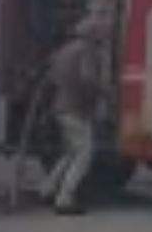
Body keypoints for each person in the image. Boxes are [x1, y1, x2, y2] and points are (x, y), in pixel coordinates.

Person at [43, 16, 109, 216]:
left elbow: (52, 76)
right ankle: (65, 198)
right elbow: (88, 78)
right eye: (103, 32)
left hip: (60, 107)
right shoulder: (87, 51)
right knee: (84, 154)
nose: (105, 36)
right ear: (94, 33)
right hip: (76, 109)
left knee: (70, 152)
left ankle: (47, 189)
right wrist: (105, 93)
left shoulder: (66, 50)